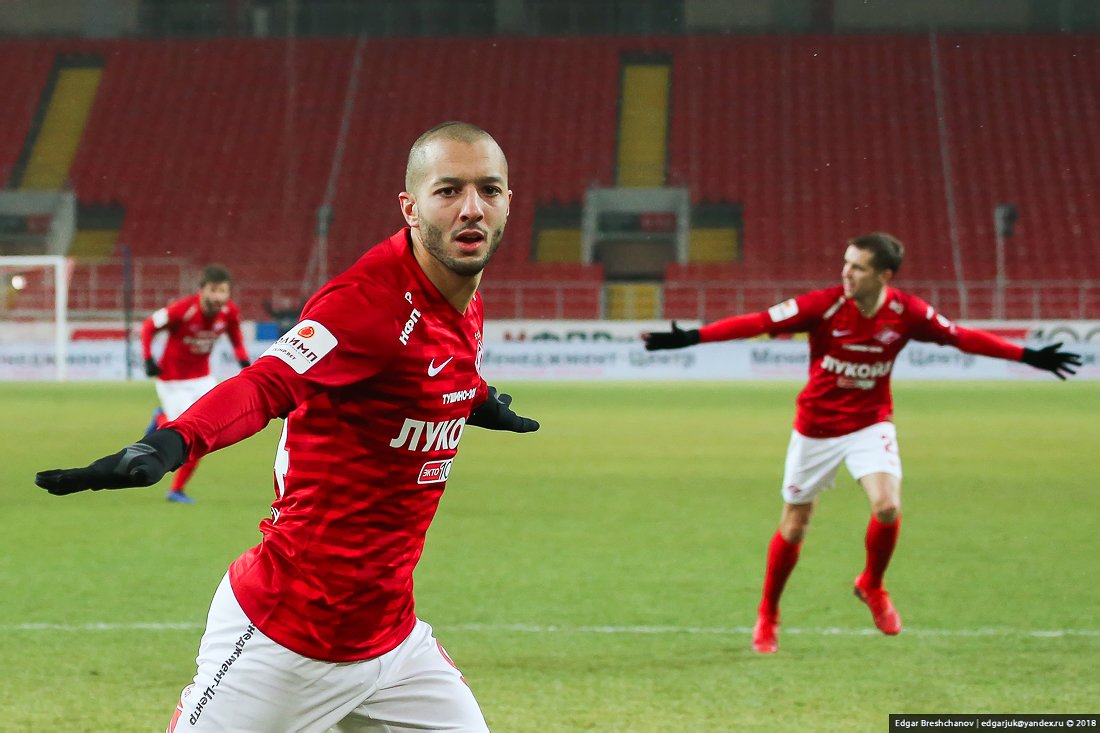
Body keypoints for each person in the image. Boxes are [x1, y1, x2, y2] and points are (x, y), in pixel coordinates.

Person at [37, 121, 539, 732]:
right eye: (449, 190)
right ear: (410, 208)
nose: (471, 208)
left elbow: (428, 363)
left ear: (508, 202)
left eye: (489, 189)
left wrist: (476, 400)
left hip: (393, 645)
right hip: (286, 636)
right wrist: (170, 441)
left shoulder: (462, 294)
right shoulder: (366, 304)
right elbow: (266, 383)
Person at [643, 232, 1081, 654]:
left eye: (857, 267)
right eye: (846, 264)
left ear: (883, 276)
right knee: (795, 525)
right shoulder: (823, 304)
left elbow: (960, 336)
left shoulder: (907, 312)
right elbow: (758, 322)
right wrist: (691, 337)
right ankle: (768, 614)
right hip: (816, 427)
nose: (846, 273)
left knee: (887, 506)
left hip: (870, 423)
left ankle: (871, 583)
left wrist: (1028, 355)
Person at [141, 263, 251, 504]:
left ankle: (162, 421)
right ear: (202, 290)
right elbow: (149, 326)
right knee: (192, 435)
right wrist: (148, 358)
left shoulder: (229, 312)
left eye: (223, 291)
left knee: (207, 432)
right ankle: (175, 486)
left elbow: (235, 336)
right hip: (173, 380)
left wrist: (244, 360)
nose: (218, 297)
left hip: (203, 378)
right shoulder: (182, 309)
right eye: (214, 290)